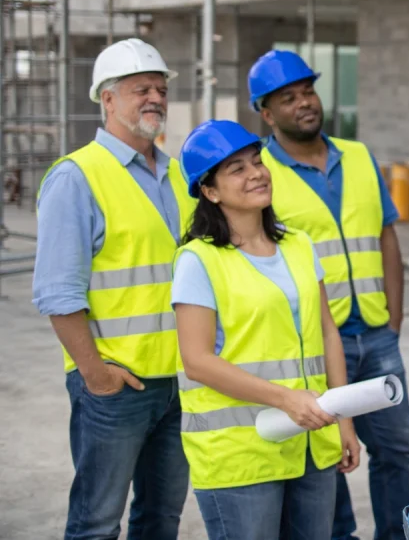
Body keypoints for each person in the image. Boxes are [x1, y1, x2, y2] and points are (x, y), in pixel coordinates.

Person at [246, 49, 409, 540]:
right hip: (316, 342)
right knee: (327, 456)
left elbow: (386, 238)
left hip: (377, 335)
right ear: (267, 113)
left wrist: (394, 320)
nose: (304, 103)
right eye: (288, 98)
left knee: (397, 450)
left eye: (308, 91)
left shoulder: (358, 156)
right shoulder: (260, 175)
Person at [32, 38, 195, 540]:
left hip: (179, 382)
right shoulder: (77, 177)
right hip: (116, 386)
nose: (155, 98)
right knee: (96, 523)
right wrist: (96, 375)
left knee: (161, 519)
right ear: (107, 98)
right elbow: (59, 293)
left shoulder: (179, 174)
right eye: (141, 89)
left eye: (161, 89)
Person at [172, 119, 361, 540]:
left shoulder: (299, 245)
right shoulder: (198, 261)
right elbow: (197, 361)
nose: (256, 173)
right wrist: (286, 399)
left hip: (312, 440)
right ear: (210, 191)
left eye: (257, 161)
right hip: (242, 453)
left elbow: (327, 332)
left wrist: (343, 421)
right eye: (237, 168)